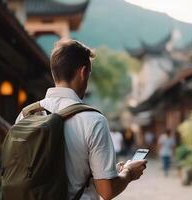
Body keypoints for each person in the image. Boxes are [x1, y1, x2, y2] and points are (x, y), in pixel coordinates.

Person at [15, 39, 147, 200]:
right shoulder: (93, 120)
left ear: (54, 72)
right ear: (83, 72)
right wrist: (129, 172)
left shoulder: (26, 114)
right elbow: (106, 191)